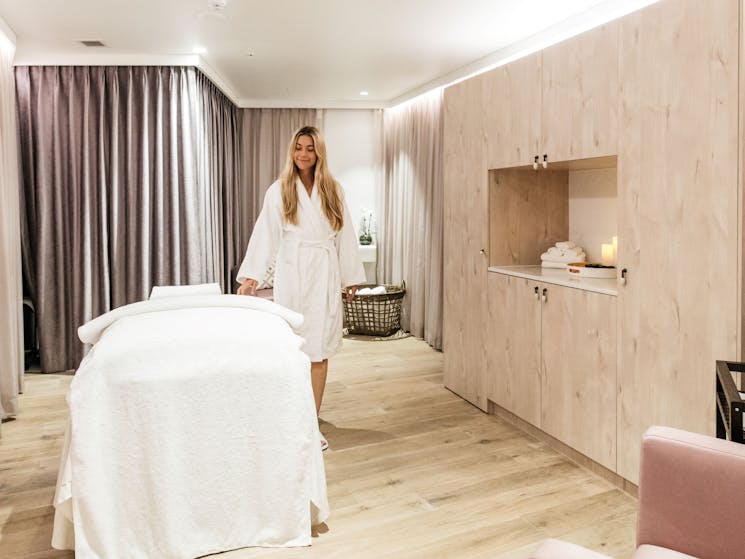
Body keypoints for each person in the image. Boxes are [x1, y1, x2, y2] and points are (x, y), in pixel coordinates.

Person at [236, 125, 366, 449]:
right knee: (293, 350)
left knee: (318, 350)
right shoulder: (280, 190)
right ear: (291, 152)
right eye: (298, 148)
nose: (303, 154)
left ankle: (310, 424)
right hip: (292, 273)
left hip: (323, 271)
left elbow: (345, 234)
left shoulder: (334, 190)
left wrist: (351, 277)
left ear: (319, 152)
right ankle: (290, 415)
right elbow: (265, 232)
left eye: (310, 148)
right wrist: (252, 274)